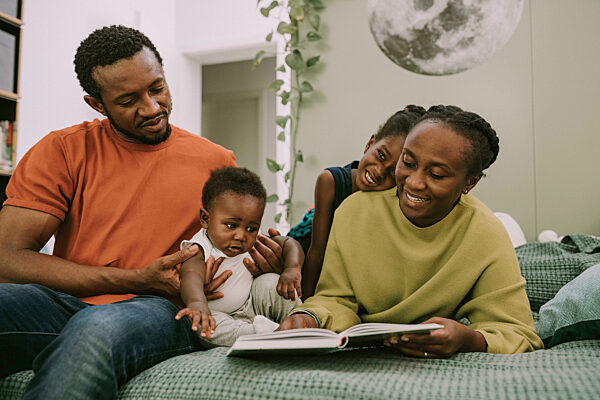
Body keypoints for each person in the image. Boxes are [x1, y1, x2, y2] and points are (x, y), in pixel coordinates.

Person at [0, 25, 282, 399]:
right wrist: (134, 277)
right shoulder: (62, 151)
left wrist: (267, 260)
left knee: (96, 330)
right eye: (129, 99)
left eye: (157, 88)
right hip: (65, 302)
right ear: (97, 104)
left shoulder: (216, 161)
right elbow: (8, 259)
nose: (151, 107)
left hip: (163, 309)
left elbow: (233, 242)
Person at [279, 105, 544, 356]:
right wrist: (308, 317)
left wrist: (467, 339)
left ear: (470, 182)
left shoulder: (486, 233)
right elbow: (335, 299)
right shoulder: (354, 212)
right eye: (407, 162)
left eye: (437, 174)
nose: (414, 183)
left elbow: (518, 332)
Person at [288, 105, 426, 299]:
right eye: (380, 156)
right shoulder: (330, 181)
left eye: (392, 172)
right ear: (370, 143)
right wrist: (304, 305)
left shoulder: (396, 198)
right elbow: (318, 253)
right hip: (306, 248)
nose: (379, 171)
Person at [175, 167, 303, 346]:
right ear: (205, 219)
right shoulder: (200, 246)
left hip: (252, 303)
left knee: (272, 282)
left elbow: (290, 243)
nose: (241, 236)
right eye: (231, 226)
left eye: (251, 228)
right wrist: (197, 303)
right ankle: (266, 333)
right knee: (206, 328)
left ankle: (300, 320)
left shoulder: (253, 241)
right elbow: (190, 273)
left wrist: (291, 268)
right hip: (219, 315)